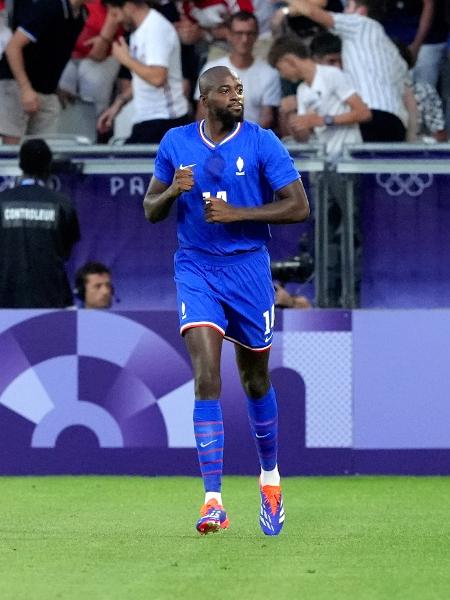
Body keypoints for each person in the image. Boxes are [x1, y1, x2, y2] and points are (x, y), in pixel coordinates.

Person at [143, 65, 310, 536]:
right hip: (195, 268)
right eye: (225, 90)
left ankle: (271, 481)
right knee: (206, 375)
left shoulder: (262, 142)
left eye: (239, 89)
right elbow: (150, 209)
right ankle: (213, 500)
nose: (236, 96)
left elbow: (299, 206)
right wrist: (173, 190)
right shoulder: (176, 143)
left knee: (255, 381)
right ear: (204, 98)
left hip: (248, 269)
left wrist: (239, 214)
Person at [282, 0, 410, 142]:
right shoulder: (393, 53)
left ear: (360, 11)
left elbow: (313, 13)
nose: (343, 11)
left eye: (348, 6)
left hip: (370, 115)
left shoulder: (361, 24)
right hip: (398, 123)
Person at [0, 139, 80, 308]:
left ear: (20, 164)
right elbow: (66, 251)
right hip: (50, 301)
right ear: (48, 166)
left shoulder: (2, 201)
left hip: (5, 299)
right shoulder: (62, 204)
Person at [97, 0, 190, 144]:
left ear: (128, 6)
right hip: (150, 120)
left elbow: (157, 77)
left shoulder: (155, 28)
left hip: (165, 121)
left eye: (115, 13)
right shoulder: (140, 30)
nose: (116, 20)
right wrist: (119, 103)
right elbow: (144, 76)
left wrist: (126, 59)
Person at [268, 34, 371, 161]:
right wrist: (293, 121)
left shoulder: (331, 74)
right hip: (322, 159)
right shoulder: (302, 90)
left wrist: (323, 120)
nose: (282, 75)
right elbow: (304, 138)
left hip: (347, 158)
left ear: (289, 61)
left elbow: (364, 113)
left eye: (280, 69)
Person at [0, 0, 88, 144]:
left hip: (45, 90)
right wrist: (25, 88)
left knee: (42, 151)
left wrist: (55, 86)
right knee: (12, 152)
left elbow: (54, 50)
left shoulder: (82, 15)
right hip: (16, 83)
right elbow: (13, 47)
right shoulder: (49, 7)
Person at [194, 11, 281, 129]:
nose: (244, 39)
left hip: (251, 142)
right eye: (239, 33)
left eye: (250, 33)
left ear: (256, 36)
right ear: (229, 35)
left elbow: (266, 119)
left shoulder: (270, 73)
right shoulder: (211, 69)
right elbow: (202, 114)